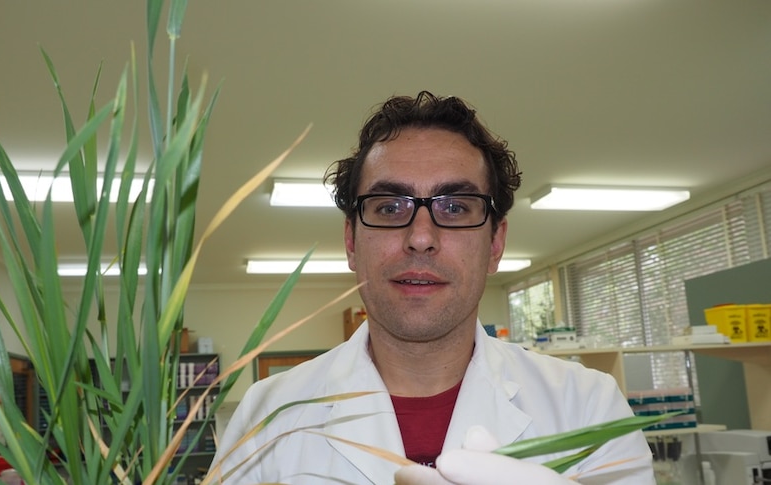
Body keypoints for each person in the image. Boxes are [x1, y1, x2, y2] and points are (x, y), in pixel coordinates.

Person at [210, 91, 654, 484]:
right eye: (389, 207)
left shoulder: (588, 407)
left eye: (456, 207)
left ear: (495, 244)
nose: (421, 237)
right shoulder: (265, 417)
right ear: (351, 242)